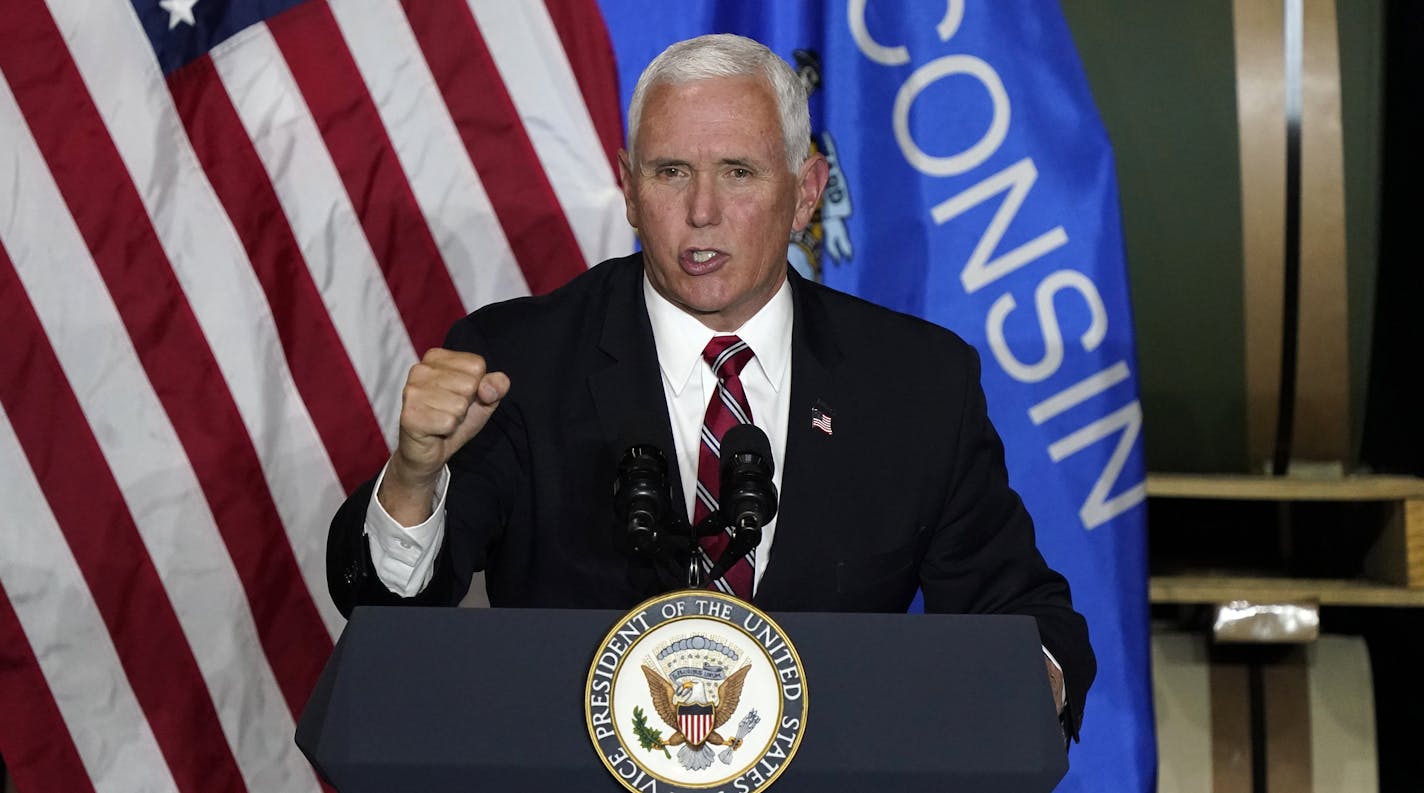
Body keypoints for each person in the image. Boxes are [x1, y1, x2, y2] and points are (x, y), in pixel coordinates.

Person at [327, 33, 1094, 739]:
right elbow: (395, 611)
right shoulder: (517, 360)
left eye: (738, 172)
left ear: (805, 192)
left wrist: (1019, 689)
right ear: (628, 189)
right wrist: (414, 477)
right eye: (670, 172)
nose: (701, 212)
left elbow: (1026, 616)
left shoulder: (918, 383)